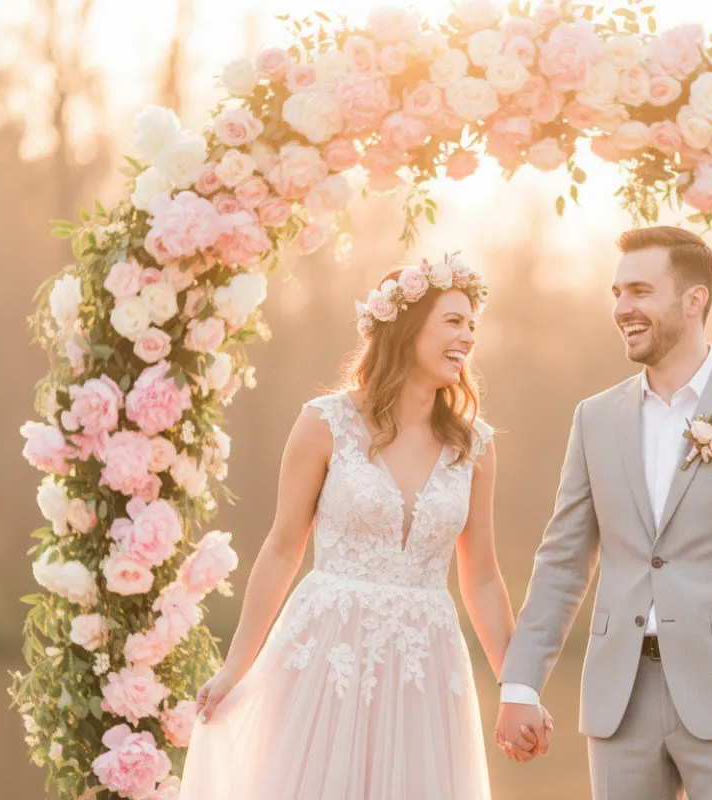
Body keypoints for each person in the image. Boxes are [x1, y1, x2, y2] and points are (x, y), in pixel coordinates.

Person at [179, 254, 549, 799]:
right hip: (329, 654)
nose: (468, 336)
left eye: (472, 325)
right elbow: (283, 548)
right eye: (453, 321)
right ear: (405, 327)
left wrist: (518, 687)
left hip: (425, 664)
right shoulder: (325, 423)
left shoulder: (475, 447)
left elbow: (484, 578)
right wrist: (236, 666)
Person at [495, 226, 712, 799]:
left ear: (694, 299)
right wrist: (520, 685)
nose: (623, 308)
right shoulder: (594, 418)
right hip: (619, 700)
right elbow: (563, 561)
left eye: (641, 291)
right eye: (618, 292)